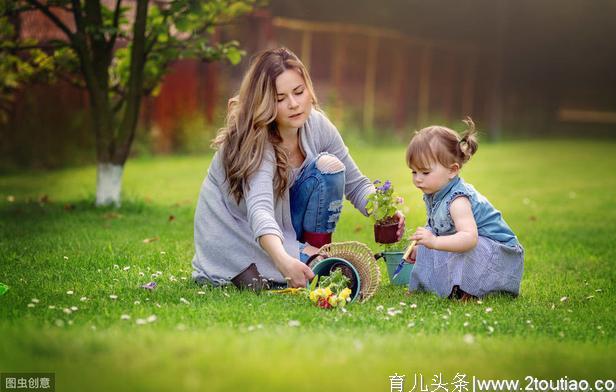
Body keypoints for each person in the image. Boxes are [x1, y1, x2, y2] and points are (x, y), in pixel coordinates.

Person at [192, 47, 404, 289]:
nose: (293, 104)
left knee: (330, 168)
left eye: (298, 92)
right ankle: (309, 260)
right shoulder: (256, 141)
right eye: (280, 99)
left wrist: (383, 210)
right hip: (239, 232)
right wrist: (283, 262)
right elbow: (259, 211)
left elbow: (356, 185)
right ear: (264, 103)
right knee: (285, 267)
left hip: (283, 227)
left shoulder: (316, 125)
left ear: (308, 88)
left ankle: (316, 254)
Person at [405, 118, 523, 300]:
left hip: (499, 256)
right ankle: (428, 286)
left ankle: (469, 288)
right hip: (479, 247)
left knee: (451, 243)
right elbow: (439, 227)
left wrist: (434, 242)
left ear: (452, 170)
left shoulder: (458, 200)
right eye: (414, 172)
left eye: (425, 172)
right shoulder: (435, 193)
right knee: (429, 238)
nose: (418, 179)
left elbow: (469, 239)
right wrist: (421, 246)